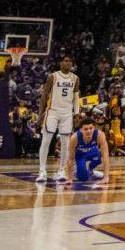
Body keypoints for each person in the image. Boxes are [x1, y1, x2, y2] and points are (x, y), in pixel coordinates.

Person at [37, 55, 79, 183]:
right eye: (65, 61)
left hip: (67, 112)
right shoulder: (53, 76)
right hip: (53, 111)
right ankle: (42, 171)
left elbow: (76, 98)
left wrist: (76, 114)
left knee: (66, 142)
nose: (68, 63)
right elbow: (44, 96)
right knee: (46, 140)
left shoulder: (75, 78)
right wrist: (40, 114)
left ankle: (62, 170)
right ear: (60, 63)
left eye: (70, 61)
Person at [67, 117, 110, 184]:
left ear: (94, 128)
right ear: (81, 130)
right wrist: (70, 178)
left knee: (99, 159)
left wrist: (106, 177)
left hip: (93, 152)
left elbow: (105, 155)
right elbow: (70, 158)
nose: (89, 131)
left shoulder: (100, 135)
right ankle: (78, 170)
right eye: (86, 129)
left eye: (91, 128)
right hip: (80, 155)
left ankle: (90, 169)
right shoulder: (74, 138)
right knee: (83, 178)